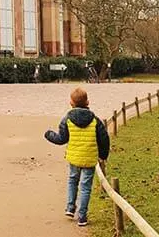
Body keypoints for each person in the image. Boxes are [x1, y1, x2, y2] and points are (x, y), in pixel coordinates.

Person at [44, 87, 110, 227]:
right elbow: (104, 139)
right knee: (85, 187)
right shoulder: (95, 120)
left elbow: (62, 138)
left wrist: (49, 135)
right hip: (89, 158)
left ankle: (70, 207)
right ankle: (82, 216)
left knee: (73, 181)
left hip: (74, 158)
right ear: (87, 102)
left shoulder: (67, 119)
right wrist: (103, 155)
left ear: (71, 103)